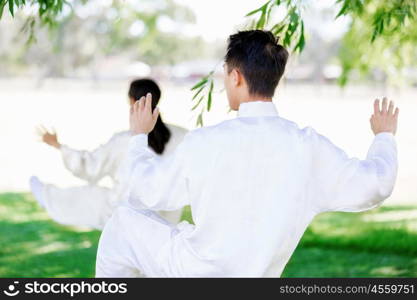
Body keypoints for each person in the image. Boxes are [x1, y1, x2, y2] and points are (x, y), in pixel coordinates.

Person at [95, 30, 399, 277]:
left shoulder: (205, 142)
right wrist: (384, 137)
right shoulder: (307, 145)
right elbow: (375, 185)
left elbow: (147, 191)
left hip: (195, 272)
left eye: (226, 75)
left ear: (236, 77)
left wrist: (139, 138)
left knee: (122, 222)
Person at [30, 79, 187, 230]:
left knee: (91, 198)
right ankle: (48, 195)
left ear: (132, 101)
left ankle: (48, 196)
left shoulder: (124, 141)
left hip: (130, 216)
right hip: (168, 220)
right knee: (98, 197)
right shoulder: (182, 136)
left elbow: (90, 166)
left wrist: (57, 145)